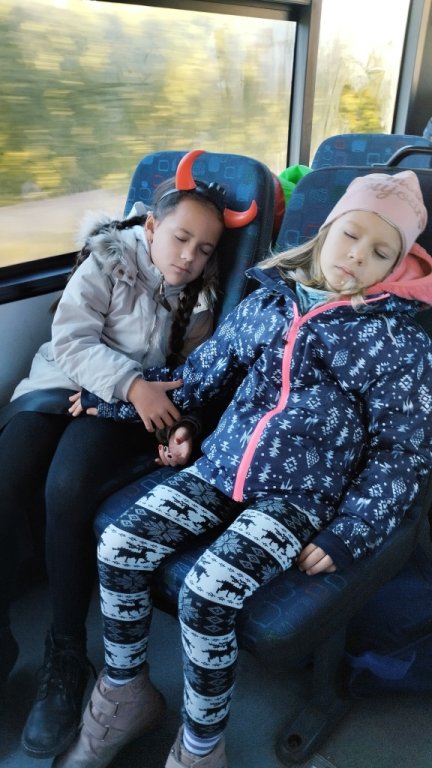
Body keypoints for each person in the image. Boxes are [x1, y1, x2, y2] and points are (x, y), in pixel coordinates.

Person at [53, 170, 432, 768]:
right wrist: (119, 399)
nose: (359, 256)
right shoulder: (268, 302)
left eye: (381, 251)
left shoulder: (396, 343)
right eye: (351, 235)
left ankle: (202, 747)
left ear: (395, 265)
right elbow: (201, 378)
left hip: (299, 497)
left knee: (210, 592)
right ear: (326, 230)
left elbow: (402, 452)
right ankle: (125, 695)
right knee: (120, 546)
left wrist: (349, 532)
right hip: (221, 465)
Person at [0, 148, 257, 760]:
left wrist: (179, 421)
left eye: (204, 249)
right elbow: (70, 339)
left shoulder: (201, 299)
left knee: (66, 489)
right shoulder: (108, 261)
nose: (189, 257)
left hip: (123, 412)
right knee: (6, 478)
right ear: (150, 226)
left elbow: (197, 380)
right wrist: (130, 382)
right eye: (180, 239)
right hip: (61, 384)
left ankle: (66, 651)